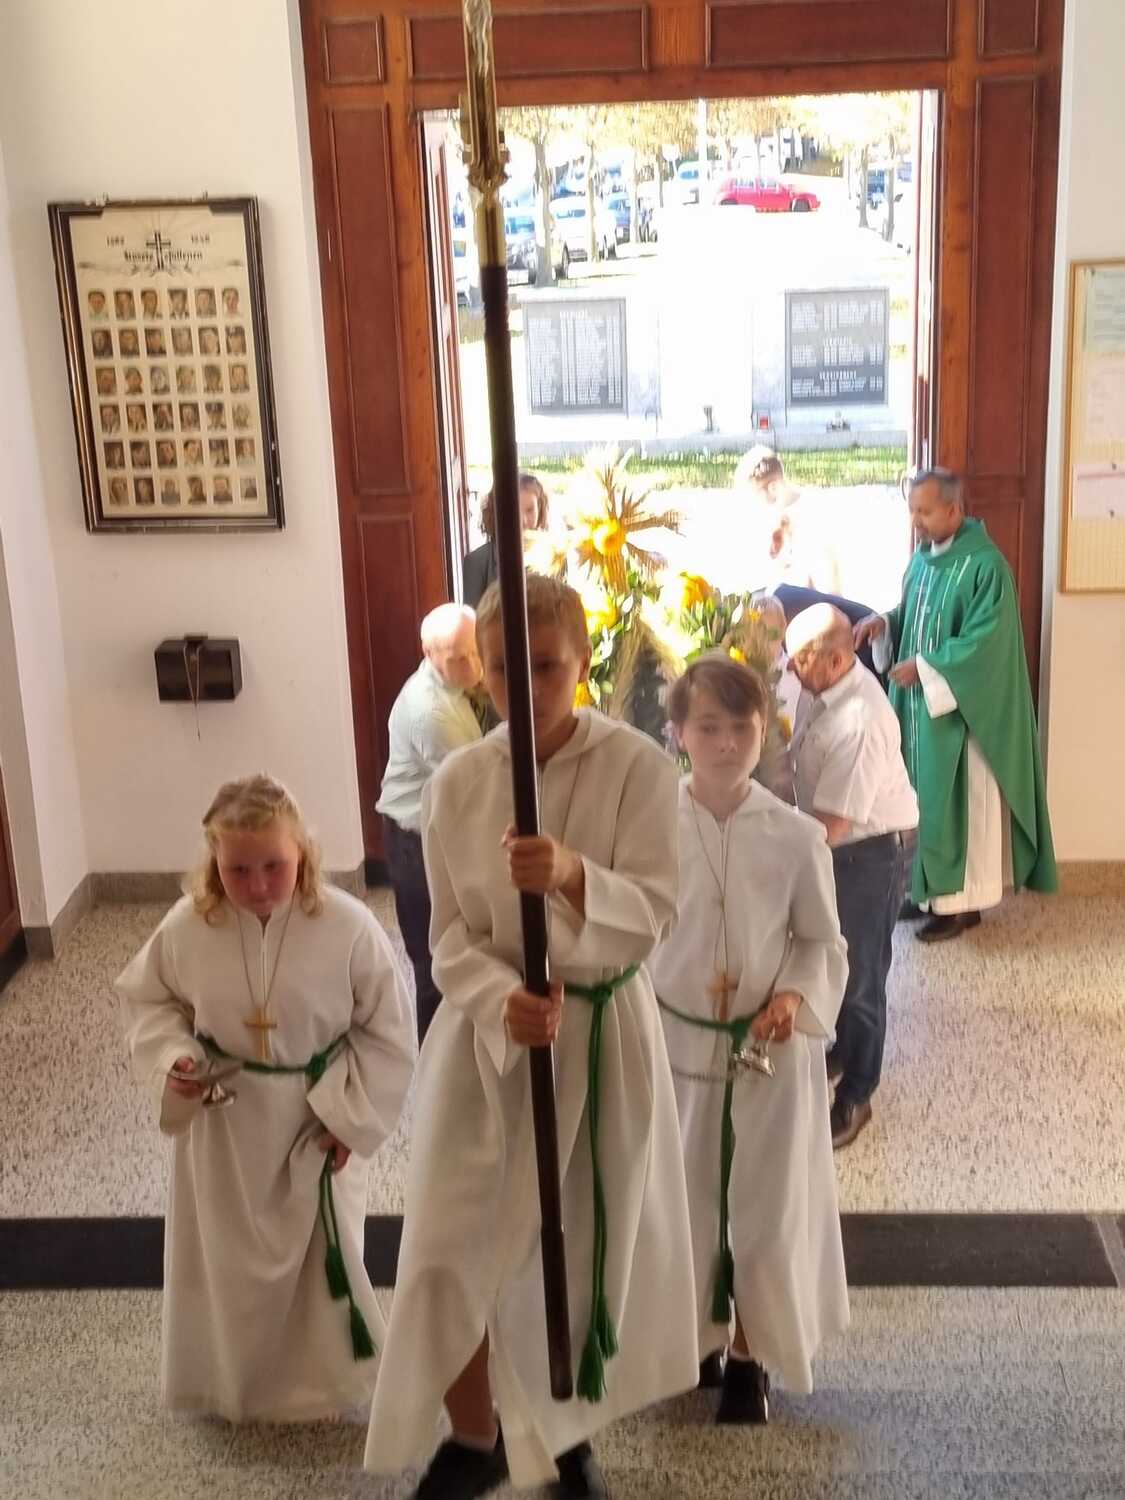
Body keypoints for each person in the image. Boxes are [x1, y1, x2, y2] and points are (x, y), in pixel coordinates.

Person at [366, 574, 698, 1500]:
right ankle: (475, 1433)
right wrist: (495, 995)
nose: (528, 687)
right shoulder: (459, 782)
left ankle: (561, 1432)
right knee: (450, 1243)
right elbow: (445, 940)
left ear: (582, 661)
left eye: (547, 666)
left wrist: (572, 874)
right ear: (481, 671)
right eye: (506, 670)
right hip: (487, 1041)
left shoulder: (637, 767)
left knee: (574, 1244)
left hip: (597, 1031)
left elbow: (656, 912)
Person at [116, 774, 414, 1422]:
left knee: (319, 1262)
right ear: (213, 861)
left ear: (301, 850)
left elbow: (388, 1031)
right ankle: (232, 1386)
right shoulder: (188, 925)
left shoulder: (347, 926)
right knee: (226, 1263)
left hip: (316, 1119)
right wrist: (175, 1059)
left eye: (273, 865)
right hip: (225, 1123)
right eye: (238, 870)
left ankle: (322, 1389)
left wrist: (353, 1119)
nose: (256, 886)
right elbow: (149, 1001)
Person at [651, 653, 849, 1427]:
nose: (726, 743)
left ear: (765, 731)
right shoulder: (649, 829)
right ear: (678, 734)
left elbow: (822, 941)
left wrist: (793, 994)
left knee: (764, 1213)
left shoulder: (794, 836)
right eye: (708, 727)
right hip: (679, 1047)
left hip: (769, 1051)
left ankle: (749, 1352)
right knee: (688, 1204)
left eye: (741, 726)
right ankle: (696, 1334)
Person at [854, 469, 1056, 942]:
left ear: (953, 509)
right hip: (920, 710)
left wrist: (926, 667)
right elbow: (914, 616)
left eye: (924, 512)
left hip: (961, 719)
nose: (916, 521)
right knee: (921, 802)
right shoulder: (922, 561)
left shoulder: (986, 567)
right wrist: (885, 623)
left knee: (959, 808)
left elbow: (987, 644)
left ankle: (962, 906)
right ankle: (926, 893)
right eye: (912, 511)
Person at [786, 605, 919, 1148]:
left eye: (800, 659)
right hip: (841, 845)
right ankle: (843, 1050)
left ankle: (858, 1095)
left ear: (837, 661)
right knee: (838, 960)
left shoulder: (860, 719)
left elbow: (835, 825)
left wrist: (771, 852)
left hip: (871, 852)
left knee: (862, 976)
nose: (790, 668)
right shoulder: (822, 689)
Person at [375, 603, 483, 1044]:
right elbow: (477, 787)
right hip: (414, 844)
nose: (472, 665)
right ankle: (436, 1060)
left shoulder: (453, 686)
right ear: (428, 653)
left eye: (474, 652)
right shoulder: (430, 713)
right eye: (457, 657)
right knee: (434, 962)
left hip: (433, 833)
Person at [733, 446, 839, 594]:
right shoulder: (778, 518)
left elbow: (828, 590)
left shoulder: (811, 517)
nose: (757, 508)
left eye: (756, 498)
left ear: (774, 488)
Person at [462, 472, 549, 609]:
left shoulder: (554, 556)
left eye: (530, 510)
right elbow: (474, 618)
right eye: (514, 511)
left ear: (540, 509)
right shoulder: (476, 562)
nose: (523, 521)